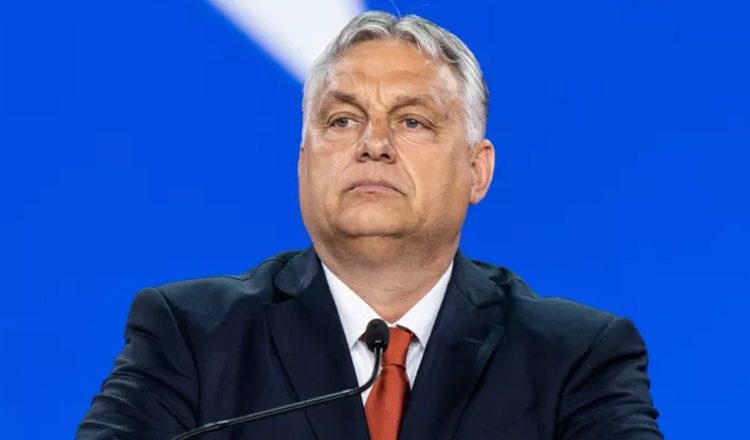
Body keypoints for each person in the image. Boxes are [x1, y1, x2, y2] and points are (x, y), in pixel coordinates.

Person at [77, 11, 662, 440]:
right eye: (342, 120)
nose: (373, 144)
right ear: (303, 162)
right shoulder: (192, 336)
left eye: (412, 121)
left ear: (477, 170)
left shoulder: (574, 357)